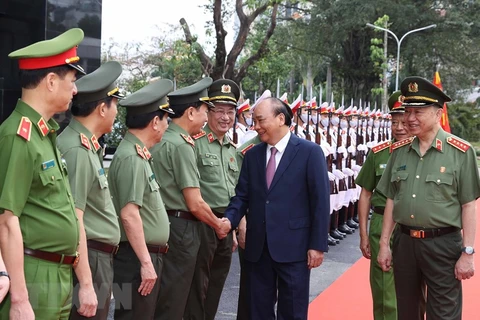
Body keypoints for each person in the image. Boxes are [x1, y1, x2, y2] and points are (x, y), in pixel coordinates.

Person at [376, 76, 480, 320]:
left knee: (444, 313)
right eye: (408, 111)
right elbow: (391, 199)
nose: (410, 119)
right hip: (404, 244)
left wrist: (468, 252)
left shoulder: (460, 152)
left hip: (442, 245)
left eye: (418, 112)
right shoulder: (399, 152)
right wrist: (384, 244)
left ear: (437, 113)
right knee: (407, 311)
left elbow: (469, 204)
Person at [0, 28, 86, 320]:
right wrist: (20, 299)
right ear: (51, 81)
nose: (75, 90)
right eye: (71, 81)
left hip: (58, 273)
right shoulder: (18, 135)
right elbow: (6, 220)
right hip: (33, 272)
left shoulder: (43, 133)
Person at [224, 97, 330, 319]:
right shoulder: (252, 155)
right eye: (253, 121)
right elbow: (242, 196)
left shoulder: (310, 152)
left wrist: (317, 245)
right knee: (257, 310)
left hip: (295, 248)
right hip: (258, 248)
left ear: (281, 118)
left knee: (292, 311)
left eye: (261, 120)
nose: (256, 127)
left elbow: (320, 202)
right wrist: (229, 220)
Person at [151, 78, 231, 320]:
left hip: (163, 222)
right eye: (207, 110)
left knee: (166, 294)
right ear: (191, 112)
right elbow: (195, 202)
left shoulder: (161, 139)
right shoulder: (182, 145)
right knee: (176, 297)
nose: (207, 117)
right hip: (182, 227)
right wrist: (219, 225)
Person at [57, 61, 124, 320]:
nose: (117, 112)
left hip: (96, 259)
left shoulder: (86, 146)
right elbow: (75, 219)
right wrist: (86, 284)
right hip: (89, 260)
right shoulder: (77, 150)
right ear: (101, 108)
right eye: (115, 104)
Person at [107, 79, 174, 319]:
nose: (168, 125)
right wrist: (146, 263)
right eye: (166, 119)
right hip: (136, 260)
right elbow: (129, 214)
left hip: (140, 258)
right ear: (155, 121)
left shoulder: (138, 155)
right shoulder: (131, 158)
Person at [184, 79, 241, 320]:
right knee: (198, 284)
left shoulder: (233, 150)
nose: (225, 117)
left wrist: (233, 229)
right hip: (201, 223)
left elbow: (234, 193)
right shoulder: (194, 143)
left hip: (226, 225)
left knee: (217, 282)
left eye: (230, 112)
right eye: (219, 111)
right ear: (208, 112)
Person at [355, 91, 410, 320]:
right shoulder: (378, 154)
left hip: (410, 225)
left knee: (413, 285)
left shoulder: (424, 152)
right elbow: (365, 194)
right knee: (383, 287)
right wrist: (364, 235)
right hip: (380, 224)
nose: (398, 127)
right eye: (394, 121)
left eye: (403, 121)